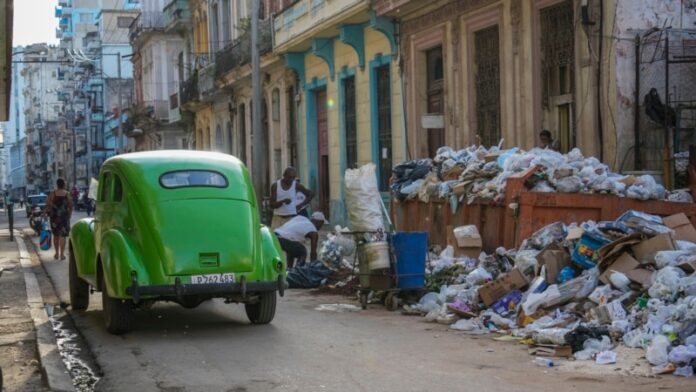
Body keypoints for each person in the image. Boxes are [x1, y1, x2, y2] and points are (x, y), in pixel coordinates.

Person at [44, 178, 73, 260]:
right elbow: (70, 206)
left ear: (57, 184)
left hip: (54, 218)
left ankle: (56, 253)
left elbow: (47, 205)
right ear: (63, 184)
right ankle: (62, 255)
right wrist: (69, 215)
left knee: (56, 235)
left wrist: (44, 213)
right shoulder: (67, 194)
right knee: (62, 236)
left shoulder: (52, 194)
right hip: (64, 218)